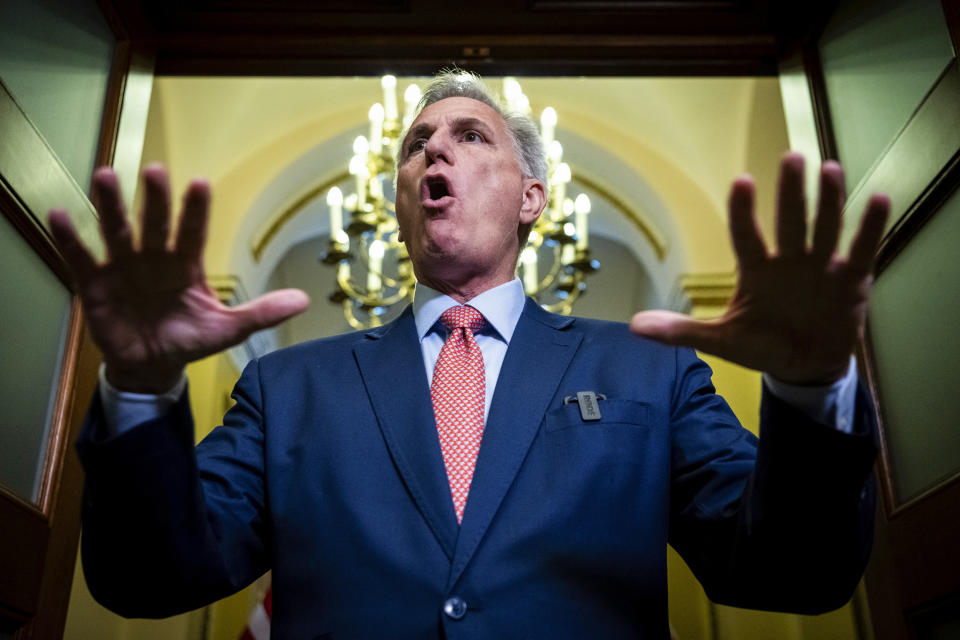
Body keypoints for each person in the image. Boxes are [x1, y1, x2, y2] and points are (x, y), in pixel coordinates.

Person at [49, 72, 890, 639]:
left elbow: (791, 576)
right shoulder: (286, 388)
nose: (432, 152)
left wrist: (812, 387)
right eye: (415, 146)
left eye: (469, 136)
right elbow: (148, 580)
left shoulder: (647, 371)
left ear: (533, 199)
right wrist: (141, 387)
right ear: (403, 204)